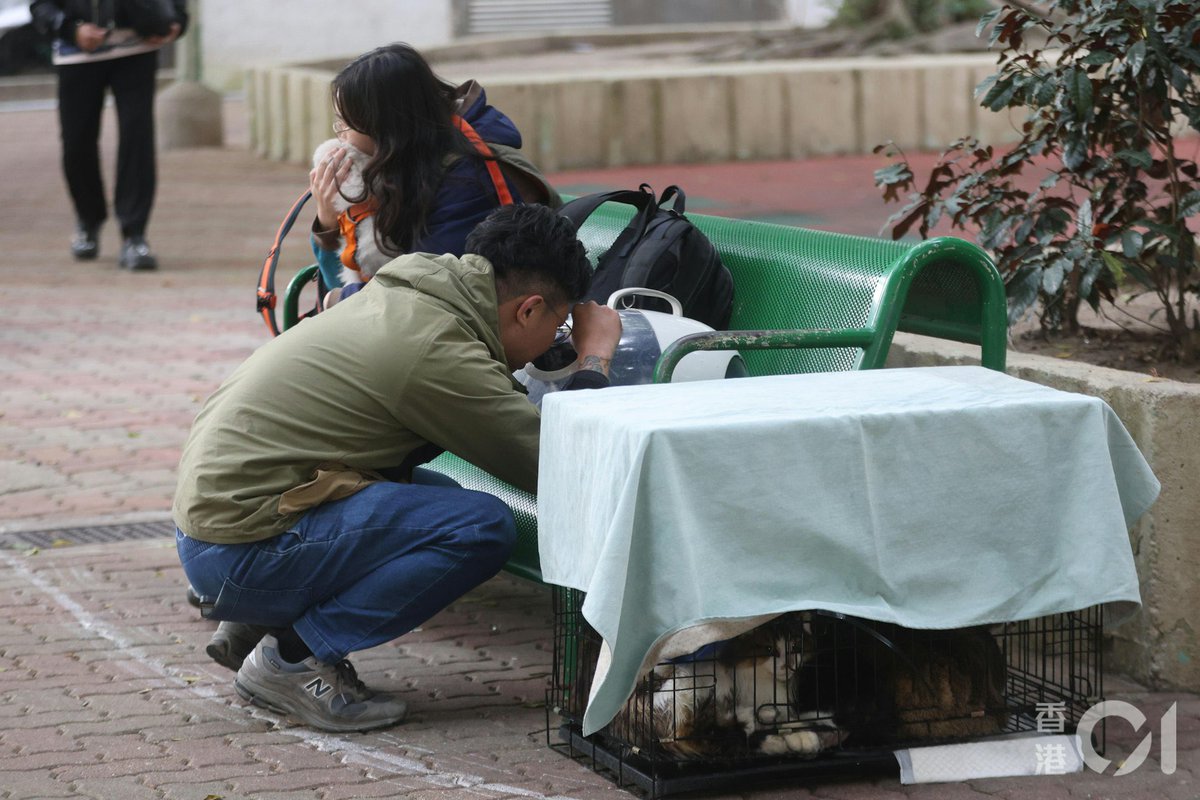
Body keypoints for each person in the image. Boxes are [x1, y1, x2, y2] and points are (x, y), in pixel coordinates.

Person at [173, 204, 622, 733]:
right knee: (479, 527)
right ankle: (291, 658)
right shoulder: (438, 351)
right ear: (528, 310)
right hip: (238, 547)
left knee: (428, 490)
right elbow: (567, 470)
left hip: (224, 518)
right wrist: (595, 360)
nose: (559, 336)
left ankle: (259, 616)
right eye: (560, 322)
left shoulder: (410, 294)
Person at [309, 42, 558, 307]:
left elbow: (425, 293)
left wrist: (336, 301)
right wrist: (329, 225)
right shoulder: (407, 166)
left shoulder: (469, 180)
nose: (341, 135)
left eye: (346, 123)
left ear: (386, 125)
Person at [30, 0, 187, 271]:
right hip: (76, 52)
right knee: (76, 143)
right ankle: (88, 220)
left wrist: (177, 18)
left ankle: (134, 235)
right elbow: (39, 5)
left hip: (137, 47)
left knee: (137, 139)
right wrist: (70, 28)